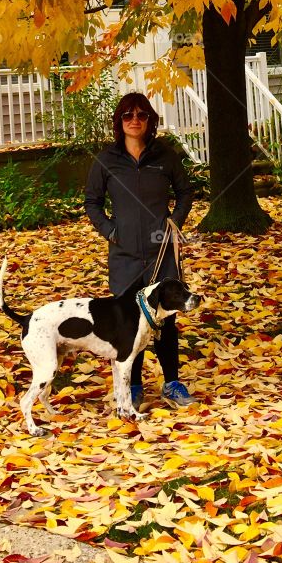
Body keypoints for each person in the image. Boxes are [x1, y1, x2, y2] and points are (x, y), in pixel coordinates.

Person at [84, 92, 196, 408]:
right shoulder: (106, 160)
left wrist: (175, 220)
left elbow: (185, 192)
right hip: (125, 256)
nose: (135, 120)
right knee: (131, 321)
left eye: (141, 115)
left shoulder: (166, 156)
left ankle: (172, 383)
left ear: (150, 121)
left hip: (161, 253)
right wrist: (110, 231)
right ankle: (133, 387)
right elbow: (91, 202)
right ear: (120, 122)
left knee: (166, 320)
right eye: (128, 115)